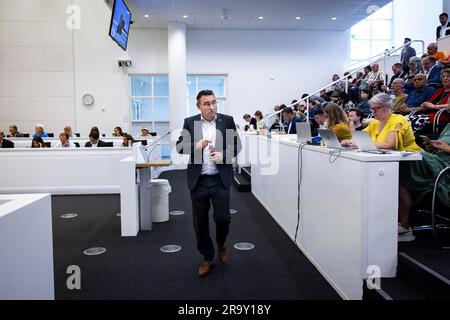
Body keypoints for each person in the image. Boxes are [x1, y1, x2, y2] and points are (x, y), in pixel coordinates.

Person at [176, 89, 241, 277]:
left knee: (223, 218)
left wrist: (224, 155)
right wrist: (195, 146)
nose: (212, 107)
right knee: (200, 222)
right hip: (199, 181)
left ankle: (221, 243)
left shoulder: (227, 120)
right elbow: (180, 147)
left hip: (220, 180)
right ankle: (207, 257)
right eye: (207, 103)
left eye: (214, 102)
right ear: (198, 106)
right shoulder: (190, 122)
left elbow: (237, 146)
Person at [398, 123, 450, 242]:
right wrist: (432, 146)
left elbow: (446, 149)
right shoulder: (448, 126)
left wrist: (447, 148)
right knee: (402, 167)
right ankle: (404, 227)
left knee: (416, 156)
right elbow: (439, 151)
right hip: (435, 165)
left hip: (446, 171)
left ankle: (404, 227)